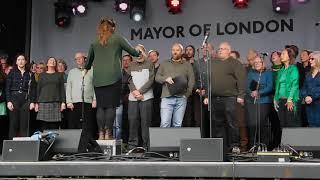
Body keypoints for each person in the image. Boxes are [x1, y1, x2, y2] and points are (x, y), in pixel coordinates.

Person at [84, 17, 140, 140]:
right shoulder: (117, 38)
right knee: (110, 106)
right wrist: (139, 50)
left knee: (100, 106)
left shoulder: (94, 43)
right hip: (113, 78)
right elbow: (133, 52)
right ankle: (108, 133)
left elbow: (87, 64)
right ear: (112, 27)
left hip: (98, 79)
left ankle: (101, 133)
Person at [204, 42, 246, 153]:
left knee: (232, 122)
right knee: (217, 123)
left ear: (229, 50)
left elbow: (241, 80)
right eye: (219, 49)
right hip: (214, 98)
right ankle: (220, 146)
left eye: (223, 49)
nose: (220, 50)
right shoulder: (212, 62)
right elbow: (209, 80)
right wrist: (207, 95)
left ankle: (234, 145)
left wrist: (241, 95)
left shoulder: (235, 63)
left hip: (230, 98)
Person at [155, 43, 195, 128]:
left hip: (181, 98)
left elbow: (191, 80)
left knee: (177, 125)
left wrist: (187, 95)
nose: (175, 52)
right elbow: (157, 77)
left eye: (177, 50)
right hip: (167, 97)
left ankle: (175, 142)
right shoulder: (165, 63)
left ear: (182, 52)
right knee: (165, 123)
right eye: (173, 50)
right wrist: (165, 78)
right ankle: (165, 142)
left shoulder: (187, 64)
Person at [127, 44, 154, 150]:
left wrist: (141, 92)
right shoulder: (131, 65)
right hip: (133, 97)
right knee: (132, 120)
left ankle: (146, 145)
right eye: (136, 52)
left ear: (144, 52)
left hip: (146, 97)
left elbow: (151, 80)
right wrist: (135, 92)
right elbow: (129, 80)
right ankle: (132, 145)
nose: (139, 54)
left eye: (140, 51)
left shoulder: (150, 63)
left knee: (146, 121)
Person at [6, 54, 36, 139]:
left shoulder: (30, 74)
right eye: (19, 59)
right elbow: (7, 88)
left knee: (24, 124)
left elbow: (33, 89)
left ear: (26, 61)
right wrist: (8, 101)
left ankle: (24, 147)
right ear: (16, 62)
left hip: (26, 100)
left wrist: (32, 102)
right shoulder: (12, 73)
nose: (21, 61)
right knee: (13, 123)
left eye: (23, 59)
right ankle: (11, 147)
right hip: (14, 99)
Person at [246, 56, 273, 150]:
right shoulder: (250, 73)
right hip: (252, 102)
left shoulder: (268, 73)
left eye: (259, 62)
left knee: (262, 125)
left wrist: (259, 92)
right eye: (255, 62)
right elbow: (247, 87)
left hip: (264, 102)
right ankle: (252, 147)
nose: (257, 63)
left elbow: (270, 87)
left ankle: (264, 146)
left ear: (263, 63)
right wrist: (251, 93)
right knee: (252, 125)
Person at [35, 57, 66, 130]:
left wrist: (63, 102)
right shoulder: (42, 75)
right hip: (43, 102)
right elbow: (38, 89)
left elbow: (62, 89)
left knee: (54, 127)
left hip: (55, 103)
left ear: (55, 64)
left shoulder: (59, 75)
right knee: (44, 127)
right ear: (47, 64)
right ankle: (45, 142)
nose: (52, 61)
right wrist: (36, 103)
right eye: (50, 60)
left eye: (54, 61)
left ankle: (54, 141)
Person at [274, 48, 300, 128]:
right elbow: (277, 86)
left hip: (289, 100)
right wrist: (275, 99)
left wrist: (290, 99)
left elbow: (294, 85)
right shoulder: (281, 70)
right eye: (281, 54)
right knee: (282, 125)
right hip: (281, 100)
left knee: (290, 125)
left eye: (283, 54)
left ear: (289, 56)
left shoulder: (293, 69)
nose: (281, 56)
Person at [300, 51, 320, 127]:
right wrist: (305, 96)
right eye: (309, 59)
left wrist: (312, 97)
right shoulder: (308, 74)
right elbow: (304, 87)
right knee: (311, 126)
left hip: (318, 104)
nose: (310, 61)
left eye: (312, 59)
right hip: (309, 105)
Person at [148, 50, 162, 127]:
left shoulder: (162, 68)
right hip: (148, 96)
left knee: (158, 117)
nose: (152, 57)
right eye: (150, 56)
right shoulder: (147, 69)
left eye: (154, 55)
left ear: (158, 57)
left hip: (159, 97)